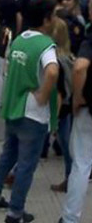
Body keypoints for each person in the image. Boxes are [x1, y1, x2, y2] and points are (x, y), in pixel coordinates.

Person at [0, 0, 59, 223]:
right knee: (26, 165)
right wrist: (44, 95)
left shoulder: (18, 41)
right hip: (33, 113)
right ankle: (15, 212)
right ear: (45, 20)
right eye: (52, 15)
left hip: (13, 107)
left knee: (8, 155)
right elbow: (52, 72)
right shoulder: (46, 45)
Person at [60, 31, 92, 223]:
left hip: (88, 109)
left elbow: (80, 67)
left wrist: (78, 96)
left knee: (81, 162)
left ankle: (70, 218)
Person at [48, 17, 74, 194]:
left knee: (66, 145)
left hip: (59, 109)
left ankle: (70, 178)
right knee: (66, 145)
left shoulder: (56, 60)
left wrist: (54, 120)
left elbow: (58, 92)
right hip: (68, 107)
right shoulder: (69, 57)